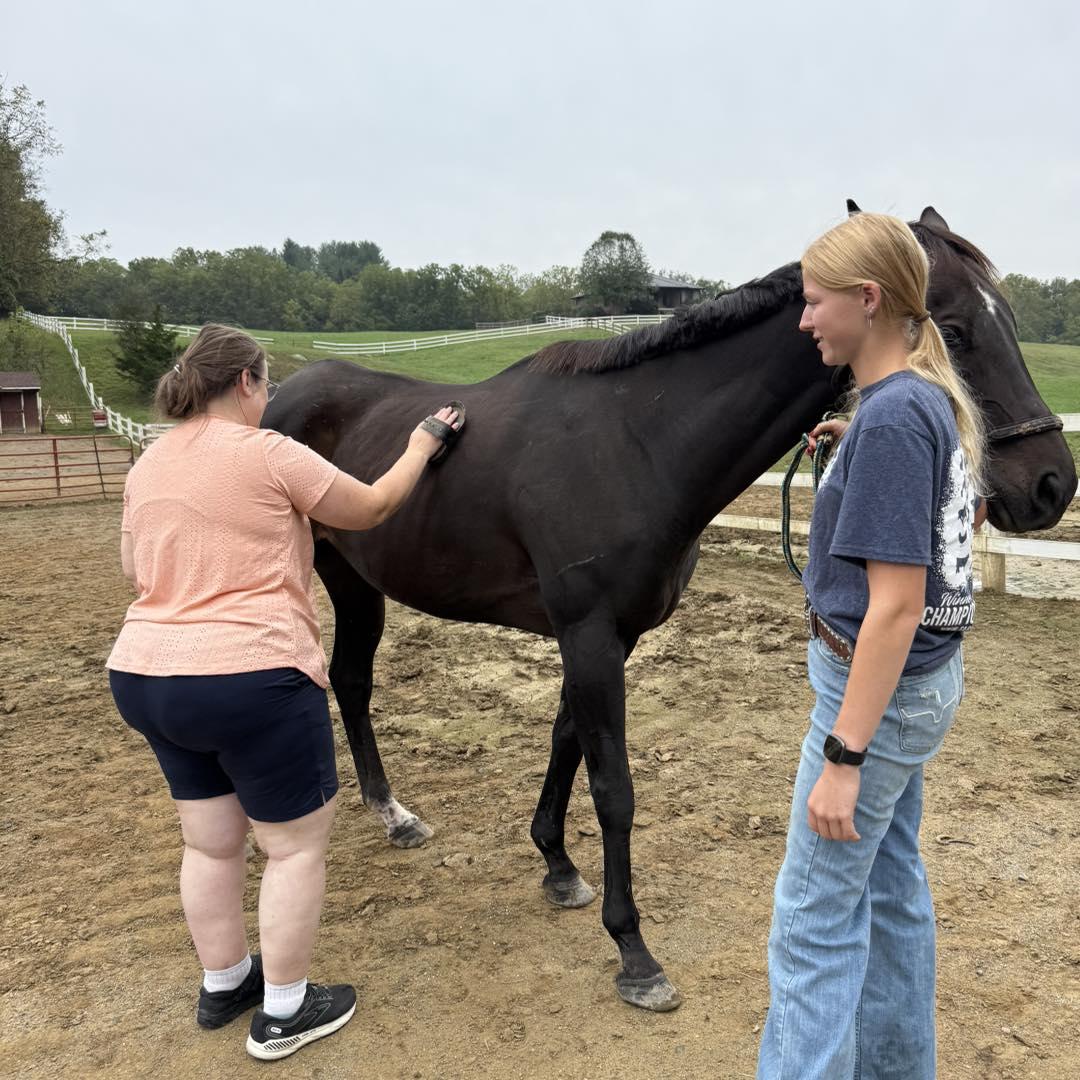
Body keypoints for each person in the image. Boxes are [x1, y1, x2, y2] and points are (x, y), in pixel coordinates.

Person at [106, 324, 462, 1061]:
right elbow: (368, 510)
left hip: (145, 672)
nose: (268, 396)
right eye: (265, 384)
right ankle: (286, 1011)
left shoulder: (150, 461)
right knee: (294, 848)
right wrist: (422, 446)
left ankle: (225, 982)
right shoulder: (271, 451)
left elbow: (130, 563)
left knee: (209, 847)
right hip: (251, 673)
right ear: (244, 383)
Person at [756, 213, 986, 1079]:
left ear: (868, 299)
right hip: (924, 685)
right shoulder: (919, 404)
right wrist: (859, 450)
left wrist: (843, 754)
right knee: (888, 894)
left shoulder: (895, 420)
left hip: (875, 696)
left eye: (816, 303)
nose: (806, 320)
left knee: (812, 925)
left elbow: (893, 606)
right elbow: (948, 511)